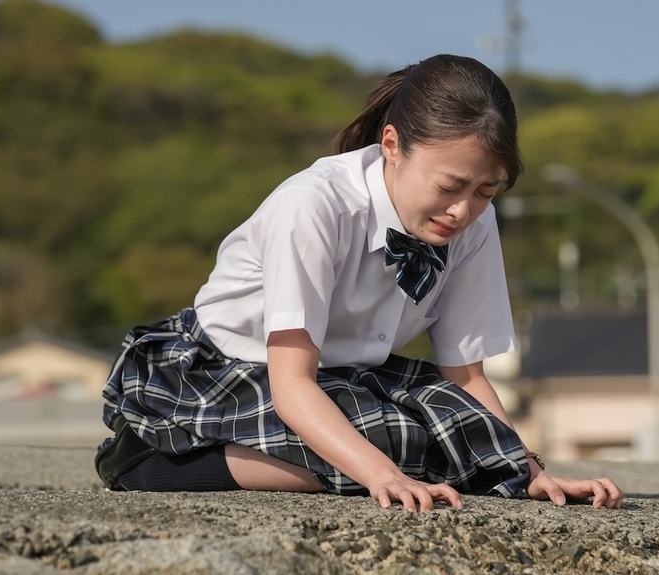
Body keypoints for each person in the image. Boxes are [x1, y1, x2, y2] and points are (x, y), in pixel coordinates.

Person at [95, 54, 623, 512]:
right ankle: (148, 460)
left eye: (487, 191)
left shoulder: (473, 222)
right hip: (225, 370)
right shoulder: (314, 204)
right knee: (398, 452)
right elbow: (292, 386)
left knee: (453, 445)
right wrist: (379, 476)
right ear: (391, 144)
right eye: (450, 186)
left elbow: (464, 378)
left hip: (346, 377)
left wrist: (528, 473)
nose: (463, 210)